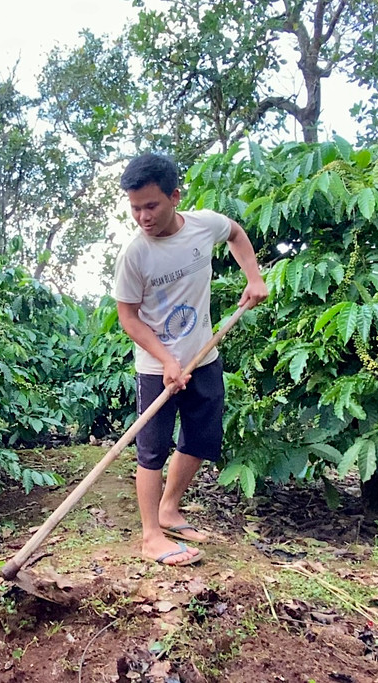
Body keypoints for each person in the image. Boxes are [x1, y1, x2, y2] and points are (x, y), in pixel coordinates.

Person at [113, 153, 268, 567]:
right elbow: (128, 318)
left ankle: (170, 509)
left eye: (151, 205)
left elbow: (235, 233)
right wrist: (165, 360)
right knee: (151, 451)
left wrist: (254, 277)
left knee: (201, 437)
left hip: (203, 355)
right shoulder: (134, 255)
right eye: (135, 208)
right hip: (156, 366)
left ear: (175, 197)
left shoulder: (204, 226)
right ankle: (150, 536)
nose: (143, 217)